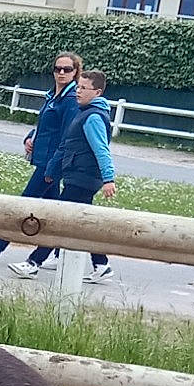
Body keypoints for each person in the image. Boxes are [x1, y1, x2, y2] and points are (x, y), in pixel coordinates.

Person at [0, 50, 82, 263]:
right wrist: (30, 138)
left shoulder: (70, 100)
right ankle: (62, 253)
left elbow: (67, 134)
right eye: (57, 68)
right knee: (57, 209)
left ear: (75, 72)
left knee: (25, 202)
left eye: (67, 69)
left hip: (50, 163)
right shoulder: (53, 95)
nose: (61, 73)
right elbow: (44, 126)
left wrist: (54, 165)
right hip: (43, 158)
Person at [9, 65, 116, 281]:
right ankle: (102, 264)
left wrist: (108, 178)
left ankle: (33, 262)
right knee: (83, 224)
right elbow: (66, 145)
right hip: (77, 175)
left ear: (97, 93)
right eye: (79, 87)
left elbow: (101, 149)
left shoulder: (93, 117)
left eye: (84, 88)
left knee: (58, 221)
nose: (78, 91)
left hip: (83, 178)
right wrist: (52, 170)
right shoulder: (84, 114)